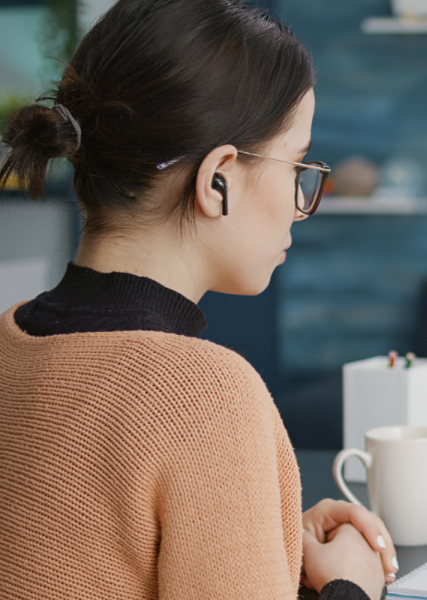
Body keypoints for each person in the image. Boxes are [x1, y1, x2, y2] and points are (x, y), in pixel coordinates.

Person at [0, 2, 395, 599]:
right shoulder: (202, 396)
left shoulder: (9, 337)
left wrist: (270, 538)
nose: (298, 202)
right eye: (297, 165)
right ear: (219, 180)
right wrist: (350, 584)